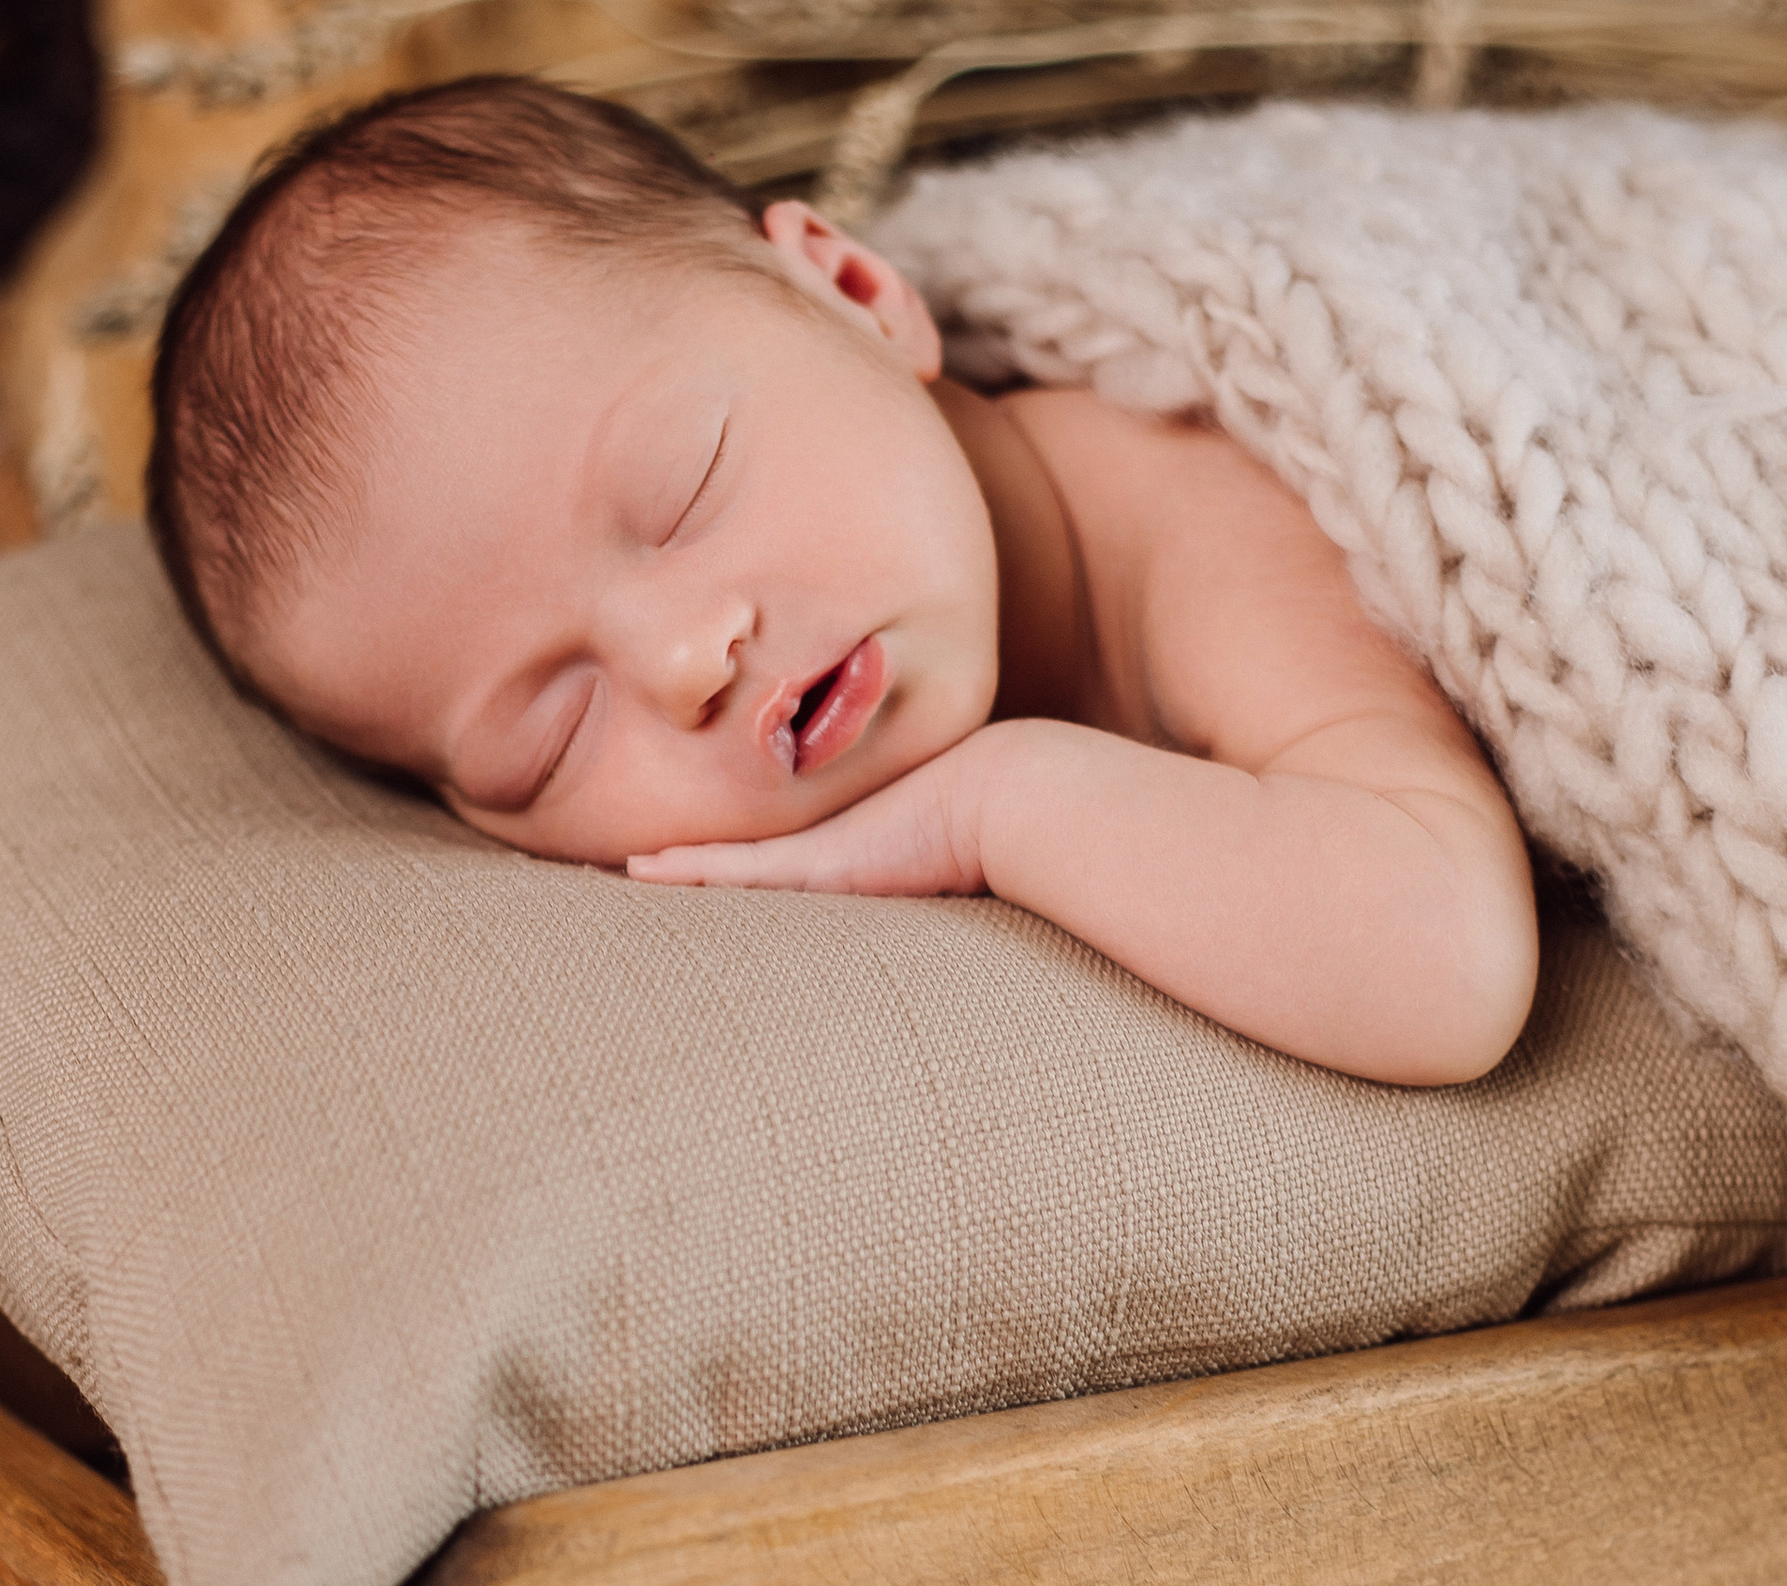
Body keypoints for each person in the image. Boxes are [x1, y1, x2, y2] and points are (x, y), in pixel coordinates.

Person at [144, 75, 1538, 1087]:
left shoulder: (1194, 511)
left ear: (857, 294)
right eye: (549, 734)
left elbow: (1448, 966)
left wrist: (1000, 804)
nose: (685, 663)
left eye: (682, 489)